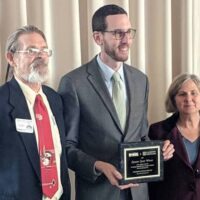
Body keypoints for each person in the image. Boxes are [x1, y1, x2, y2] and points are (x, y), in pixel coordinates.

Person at [58, 4, 173, 200]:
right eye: (118, 33)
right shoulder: (73, 83)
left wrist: (158, 151)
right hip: (98, 193)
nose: (126, 40)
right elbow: (66, 147)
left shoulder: (141, 80)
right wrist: (98, 166)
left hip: (138, 194)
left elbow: (140, 136)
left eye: (129, 32)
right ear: (98, 38)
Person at [0, 25, 70, 200]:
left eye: (44, 50)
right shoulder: (2, 102)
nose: (40, 56)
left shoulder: (55, 99)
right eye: (31, 51)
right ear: (11, 58)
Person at [148, 73, 200, 200]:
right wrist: (158, 160)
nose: (188, 99)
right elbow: (147, 172)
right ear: (173, 100)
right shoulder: (157, 131)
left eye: (194, 93)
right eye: (182, 94)